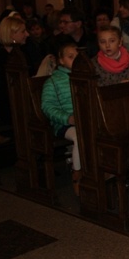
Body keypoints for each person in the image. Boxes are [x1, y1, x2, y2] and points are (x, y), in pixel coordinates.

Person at [93, 25, 129, 192]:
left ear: (120, 42)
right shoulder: (94, 64)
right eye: (103, 42)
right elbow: (96, 88)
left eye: (112, 41)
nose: (107, 45)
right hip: (109, 113)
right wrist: (117, 86)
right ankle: (117, 178)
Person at [41, 42, 81, 195]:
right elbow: (47, 106)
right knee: (79, 137)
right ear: (61, 60)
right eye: (70, 57)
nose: (75, 60)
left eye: (77, 57)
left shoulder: (86, 77)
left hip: (85, 120)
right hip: (64, 124)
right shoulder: (53, 81)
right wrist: (67, 118)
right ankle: (78, 174)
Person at [0, 14, 30, 127]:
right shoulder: (0, 57)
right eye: (23, 31)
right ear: (11, 34)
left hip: (21, 100)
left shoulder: (21, 52)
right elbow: (4, 87)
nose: (27, 34)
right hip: (9, 105)